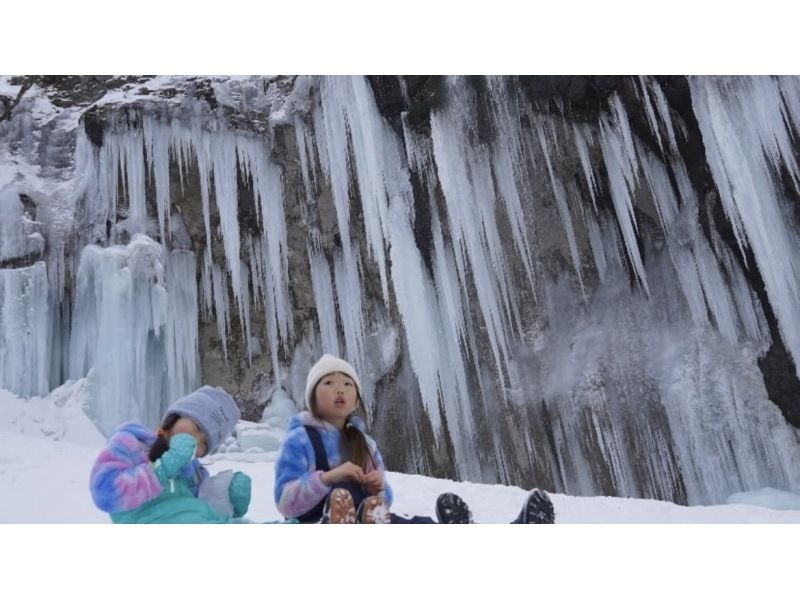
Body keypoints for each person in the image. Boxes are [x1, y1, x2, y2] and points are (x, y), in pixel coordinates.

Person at [274, 353, 557, 524]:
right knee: (340, 502)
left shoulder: (365, 444)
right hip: (319, 522)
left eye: (348, 385)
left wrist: (378, 488)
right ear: (312, 396)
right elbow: (285, 502)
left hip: (371, 520)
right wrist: (327, 478)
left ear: (356, 399)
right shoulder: (301, 440)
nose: (340, 390)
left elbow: (386, 501)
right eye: (329, 383)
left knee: (417, 524)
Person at [90, 385, 256, 523]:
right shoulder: (131, 444)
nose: (196, 440)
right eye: (197, 428)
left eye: (205, 444)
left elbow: (205, 511)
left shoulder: (194, 472)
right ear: (175, 417)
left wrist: (228, 498)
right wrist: (164, 466)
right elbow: (106, 494)